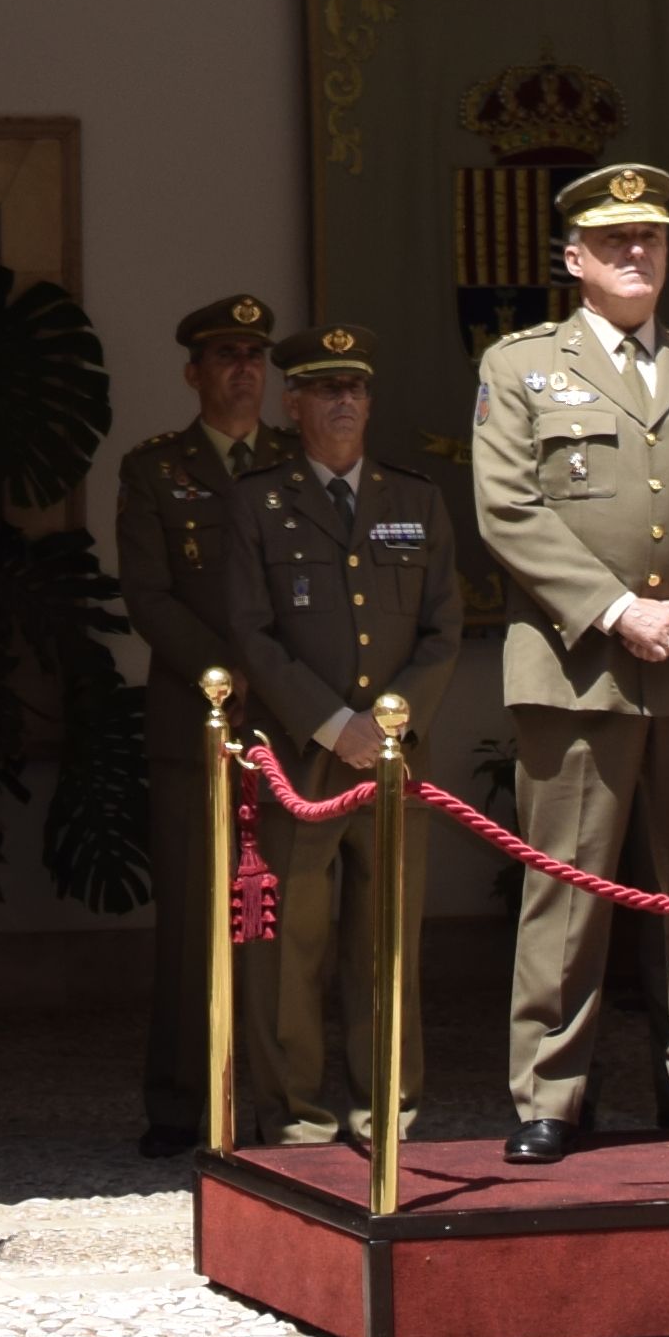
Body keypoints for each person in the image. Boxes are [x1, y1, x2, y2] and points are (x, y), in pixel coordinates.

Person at [470, 161, 669, 1164]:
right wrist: (615, 611)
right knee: (567, 889)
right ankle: (550, 1096)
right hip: (578, 665)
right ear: (574, 260)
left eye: (650, 237)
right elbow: (507, 508)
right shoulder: (518, 367)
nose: (637, 252)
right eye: (614, 241)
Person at [214, 323, 463, 1149]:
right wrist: (332, 723)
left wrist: (389, 726)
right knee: (292, 948)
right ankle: (296, 1114)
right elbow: (251, 632)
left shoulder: (415, 499)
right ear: (294, 404)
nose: (345, 402)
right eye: (326, 389)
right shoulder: (258, 500)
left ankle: (386, 1105)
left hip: (393, 761)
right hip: (300, 758)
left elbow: (442, 630)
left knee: (385, 941)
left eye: (355, 388)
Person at [110, 292, 290, 1160]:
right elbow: (147, 596)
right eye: (225, 356)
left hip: (291, 725)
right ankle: (181, 1101)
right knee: (193, 922)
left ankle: (283, 1100)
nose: (243, 371)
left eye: (254, 356)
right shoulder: (156, 470)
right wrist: (233, 673)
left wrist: (281, 681)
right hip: (196, 718)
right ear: (193, 373)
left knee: (286, 920)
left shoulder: (295, 460)